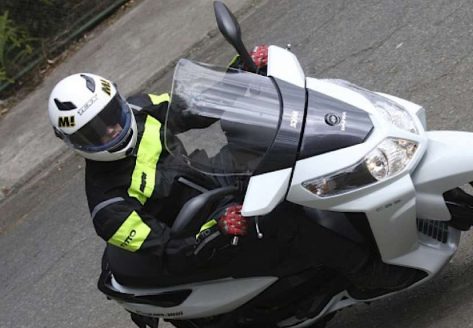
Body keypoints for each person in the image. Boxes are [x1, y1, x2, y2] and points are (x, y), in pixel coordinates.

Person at [47, 49, 416, 295]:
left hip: (211, 176)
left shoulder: (141, 109)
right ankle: (367, 272)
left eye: (111, 116)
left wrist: (240, 73)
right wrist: (217, 228)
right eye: (95, 132)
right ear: (75, 143)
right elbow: (169, 248)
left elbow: (195, 107)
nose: (112, 130)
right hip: (200, 224)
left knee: (275, 141)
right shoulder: (108, 205)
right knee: (278, 221)